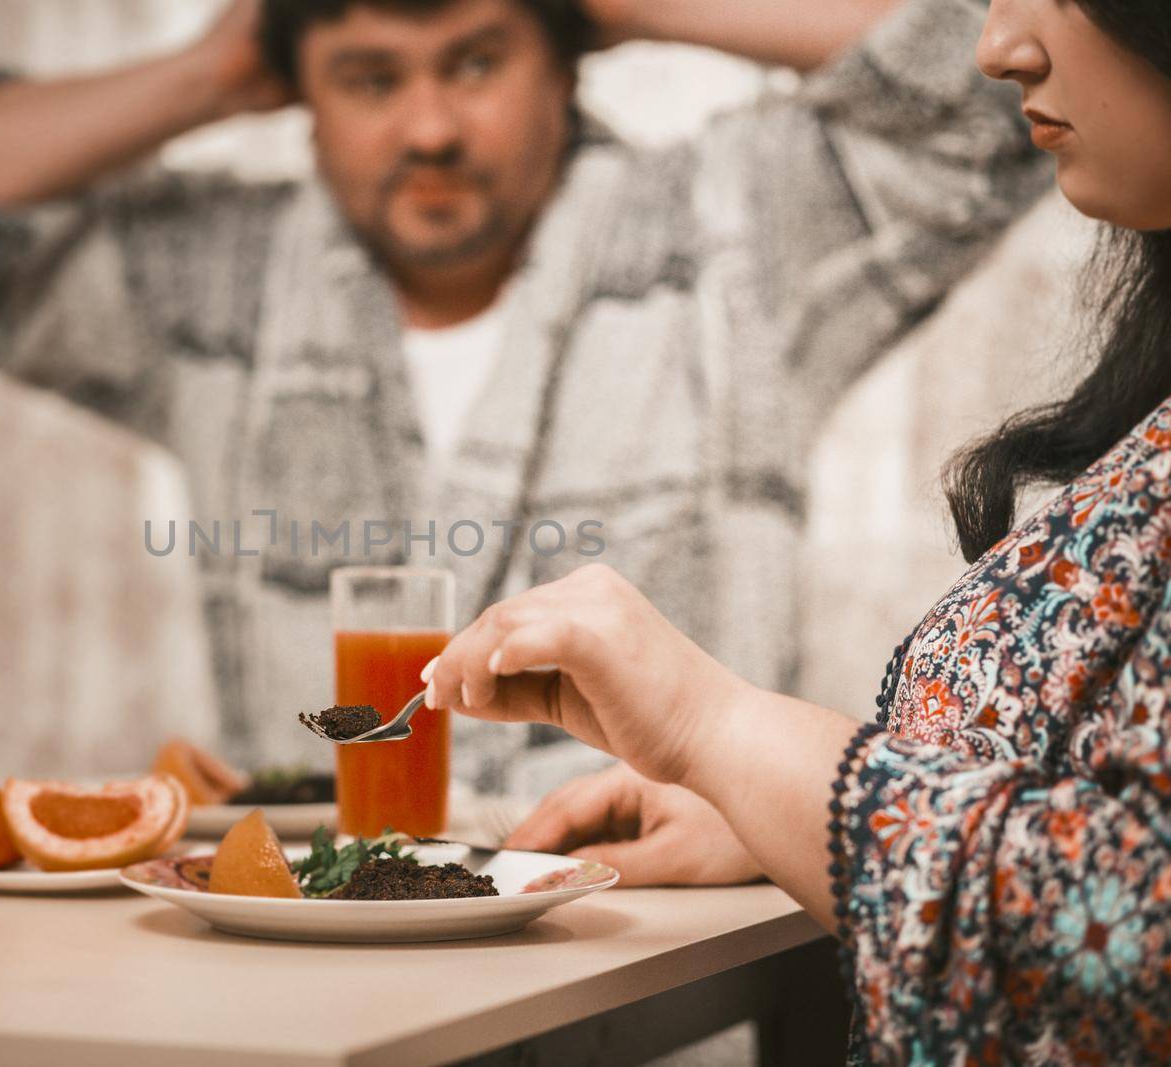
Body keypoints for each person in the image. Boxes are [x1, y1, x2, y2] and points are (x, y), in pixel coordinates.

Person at [0, 0, 1045, 786]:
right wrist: (220, 62)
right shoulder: (213, 281)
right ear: (300, 100)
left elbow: (1018, 83)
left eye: (476, 57)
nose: (432, 125)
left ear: (563, 66)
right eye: (370, 76)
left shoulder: (734, 235)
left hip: (654, 978)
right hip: (325, 980)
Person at [426, 0, 1171, 1058]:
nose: (998, 44)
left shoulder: (724, 237)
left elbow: (1137, 923)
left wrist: (716, 728)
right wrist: (764, 806)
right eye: (370, 78)